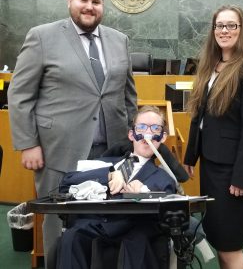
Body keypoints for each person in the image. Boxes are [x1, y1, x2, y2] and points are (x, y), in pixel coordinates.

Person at [7, 0, 137, 266]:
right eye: (83, 0)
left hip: (111, 154)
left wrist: (134, 137)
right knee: (59, 225)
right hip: (59, 151)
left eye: (96, 2)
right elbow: (19, 93)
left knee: (108, 221)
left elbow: (128, 95)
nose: (89, 7)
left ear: (102, 6)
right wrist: (28, 144)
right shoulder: (42, 36)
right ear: (70, 1)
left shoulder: (119, 40)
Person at [183, 5, 243, 269]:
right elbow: (200, 116)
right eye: (219, 25)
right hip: (212, 166)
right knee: (220, 239)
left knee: (230, 245)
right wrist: (191, 155)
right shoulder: (213, 64)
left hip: (235, 171)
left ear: (242, 30)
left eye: (231, 25)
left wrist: (242, 176)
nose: (224, 30)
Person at [56, 105, 177, 269]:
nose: (147, 134)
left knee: (138, 243)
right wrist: (109, 174)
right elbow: (66, 182)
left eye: (155, 128)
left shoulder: (163, 177)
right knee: (72, 237)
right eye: (142, 127)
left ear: (162, 137)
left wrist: (144, 194)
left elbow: (167, 208)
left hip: (132, 229)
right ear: (131, 134)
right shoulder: (105, 162)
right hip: (94, 224)